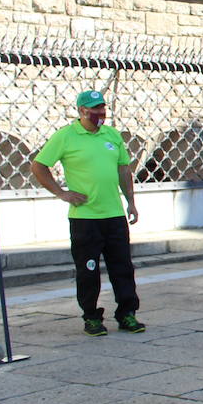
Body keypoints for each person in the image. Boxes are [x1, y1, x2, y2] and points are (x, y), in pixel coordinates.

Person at [30, 89, 144, 337]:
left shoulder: (112, 135)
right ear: (82, 111)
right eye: (95, 109)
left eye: (103, 108)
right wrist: (62, 193)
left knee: (122, 267)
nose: (100, 113)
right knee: (88, 270)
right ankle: (91, 317)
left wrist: (131, 201)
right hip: (85, 218)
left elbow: (123, 170)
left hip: (113, 216)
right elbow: (38, 166)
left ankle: (127, 313)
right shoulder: (66, 137)